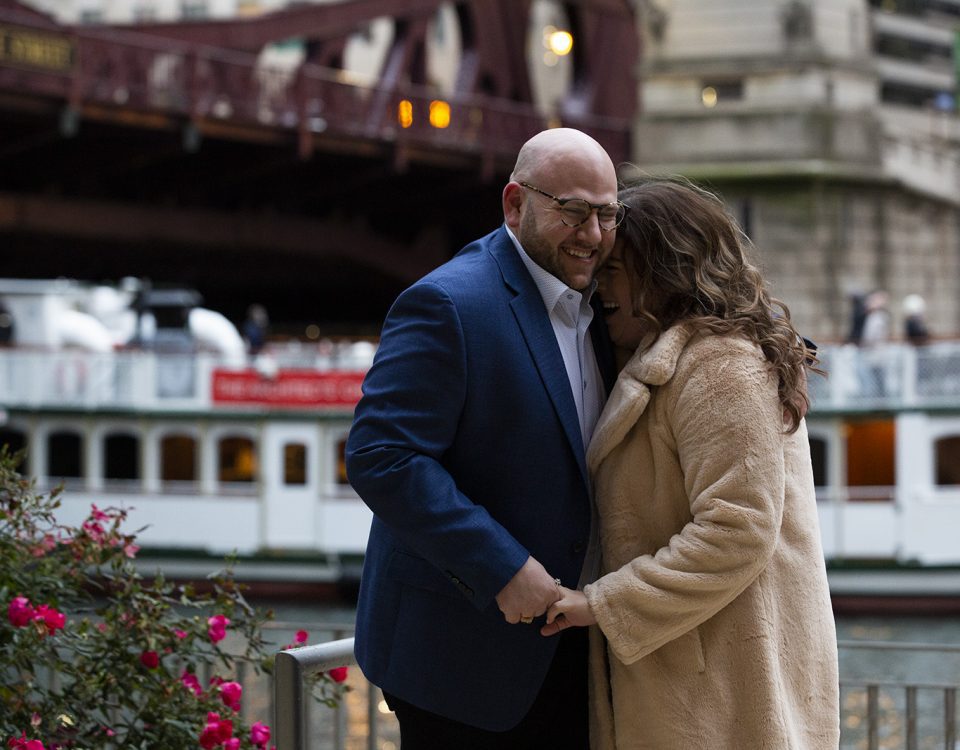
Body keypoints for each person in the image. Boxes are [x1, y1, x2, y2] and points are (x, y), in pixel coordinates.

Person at [345, 128, 622, 748]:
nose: (594, 235)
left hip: (576, 652)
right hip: (461, 659)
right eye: (573, 210)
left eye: (607, 213)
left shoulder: (607, 303)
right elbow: (380, 456)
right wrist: (502, 567)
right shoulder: (448, 303)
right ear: (515, 204)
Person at [542, 177, 840, 749]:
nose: (596, 287)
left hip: (722, 696)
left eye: (614, 269)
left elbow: (737, 529)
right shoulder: (669, 358)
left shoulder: (719, 364)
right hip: (695, 678)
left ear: (665, 270)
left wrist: (600, 604)